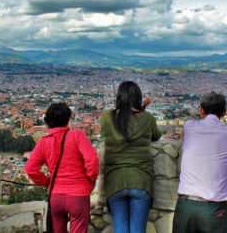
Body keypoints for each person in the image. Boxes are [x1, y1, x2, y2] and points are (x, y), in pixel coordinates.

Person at [172, 91, 227, 233]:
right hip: (213, 208)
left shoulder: (189, 127)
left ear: (201, 110)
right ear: (224, 112)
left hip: (185, 205)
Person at [25, 102, 99, 233]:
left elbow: (30, 169)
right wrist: (90, 180)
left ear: (48, 122)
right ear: (68, 119)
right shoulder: (77, 135)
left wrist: (48, 182)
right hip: (78, 195)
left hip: (56, 197)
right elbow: (92, 160)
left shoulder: (44, 142)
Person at [100, 81, 161, 233]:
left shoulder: (106, 117)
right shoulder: (147, 118)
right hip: (141, 181)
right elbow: (156, 136)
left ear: (119, 97)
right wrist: (143, 110)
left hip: (115, 182)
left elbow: (124, 121)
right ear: (138, 98)